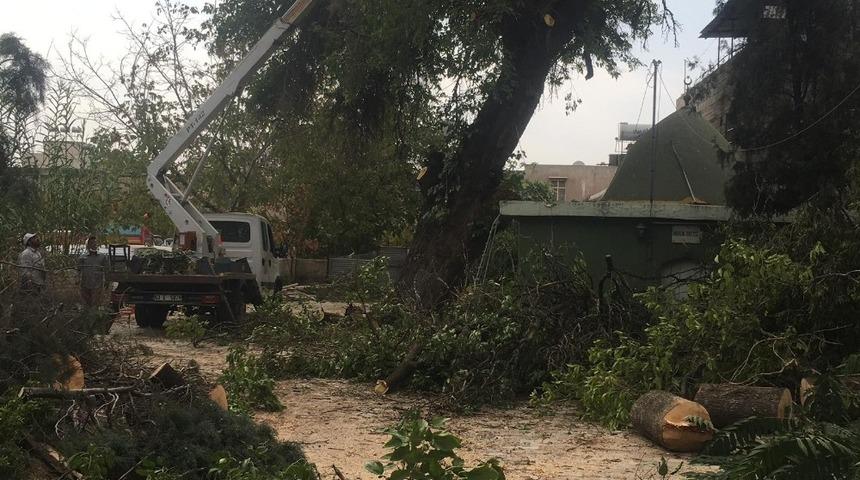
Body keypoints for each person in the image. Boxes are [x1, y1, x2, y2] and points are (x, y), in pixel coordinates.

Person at [77, 235, 111, 309]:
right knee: (86, 304)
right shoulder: (82, 257)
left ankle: (94, 316)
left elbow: (107, 270)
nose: (94, 245)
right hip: (85, 284)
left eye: (95, 243)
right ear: (88, 245)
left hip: (97, 284)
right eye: (91, 243)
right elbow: (78, 270)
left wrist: (107, 281)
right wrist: (77, 280)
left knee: (95, 304)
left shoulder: (102, 257)